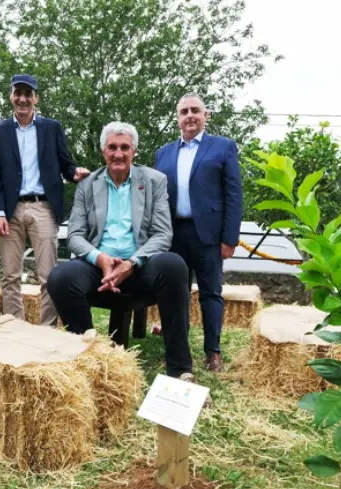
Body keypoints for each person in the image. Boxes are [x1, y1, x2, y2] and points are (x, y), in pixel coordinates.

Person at [48, 123, 194, 380]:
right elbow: (75, 236)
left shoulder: (154, 181)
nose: (118, 153)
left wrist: (132, 263)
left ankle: (180, 368)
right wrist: (100, 258)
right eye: (112, 147)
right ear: (104, 151)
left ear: (134, 151)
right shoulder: (87, 185)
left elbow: (162, 234)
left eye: (124, 147)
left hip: (140, 265)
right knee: (60, 277)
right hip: (98, 267)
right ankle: (90, 358)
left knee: (174, 266)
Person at [0, 74, 89, 327]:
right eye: (17, 93)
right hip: (9, 211)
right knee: (10, 276)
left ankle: (47, 330)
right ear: (11, 96)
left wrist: (75, 173)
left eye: (27, 94)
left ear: (36, 98)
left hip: (43, 207)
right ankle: (14, 328)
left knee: (48, 276)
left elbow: (66, 162)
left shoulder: (51, 128)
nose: (22, 99)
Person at [154, 93, 243, 372]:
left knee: (211, 293)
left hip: (209, 235)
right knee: (174, 294)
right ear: (177, 118)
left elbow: (234, 195)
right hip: (173, 234)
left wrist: (229, 238)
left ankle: (213, 352)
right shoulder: (163, 153)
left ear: (206, 115)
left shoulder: (223, 147)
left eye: (195, 110)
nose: (189, 115)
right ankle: (176, 350)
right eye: (184, 111)